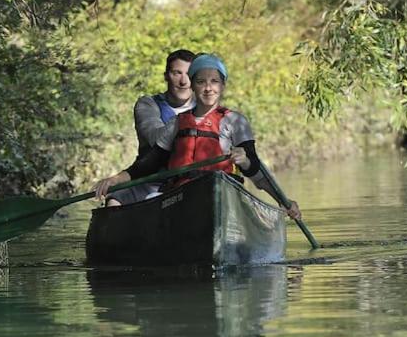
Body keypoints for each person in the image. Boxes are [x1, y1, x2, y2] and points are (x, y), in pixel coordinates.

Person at [94, 53, 301, 220]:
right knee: (150, 198)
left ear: (223, 85)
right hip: (181, 198)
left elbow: (256, 171)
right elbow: (148, 164)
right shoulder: (177, 123)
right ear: (193, 86)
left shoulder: (236, 122)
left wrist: (281, 198)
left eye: (214, 81)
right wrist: (115, 179)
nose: (208, 88)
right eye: (201, 82)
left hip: (224, 198)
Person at [108, 48, 195, 206]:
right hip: (149, 180)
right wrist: (187, 118)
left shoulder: (207, 109)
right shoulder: (148, 104)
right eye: (177, 73)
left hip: (189, 182)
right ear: (166, 76)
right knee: (114, 200)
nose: (184, 81)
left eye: (189, 74)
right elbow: (156, 139)